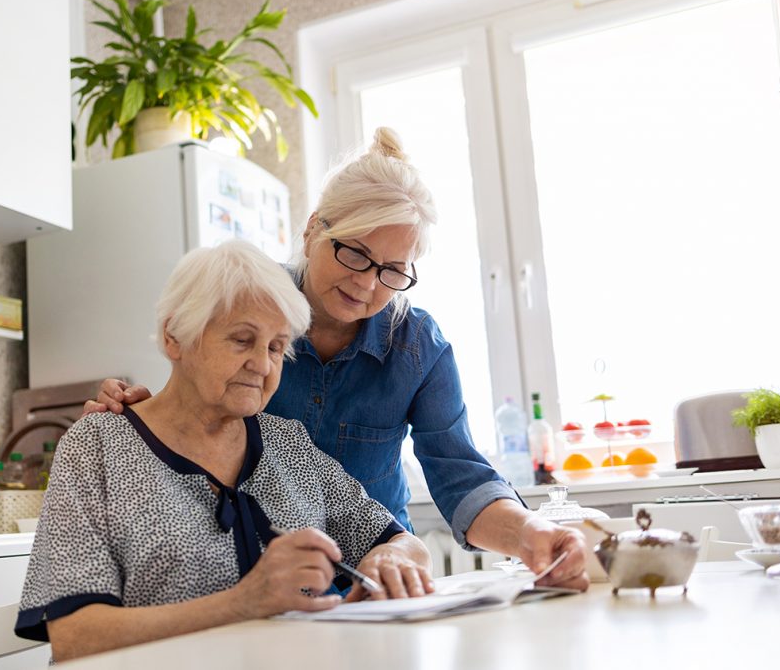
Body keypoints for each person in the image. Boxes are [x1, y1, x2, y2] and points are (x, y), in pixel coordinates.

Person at [87, 127, 588, 590]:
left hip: (375, 582)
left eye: (393, 270)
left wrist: (532, 536)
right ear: (312, 232)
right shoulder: (251, 308)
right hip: (257, 590)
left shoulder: (417, 346)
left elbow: (462, 478)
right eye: (354, 253)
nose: (367, 283)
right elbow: (191, 416)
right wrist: (139, 419)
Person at [16, 241, 434, 662]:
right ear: (174, 335)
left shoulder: (288, 443)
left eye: (275, 346)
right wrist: (245, 601)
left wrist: (392, 561)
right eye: (242, 339)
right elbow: (73, 636)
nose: (264, 365)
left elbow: (402, 540)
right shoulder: (97, 445)